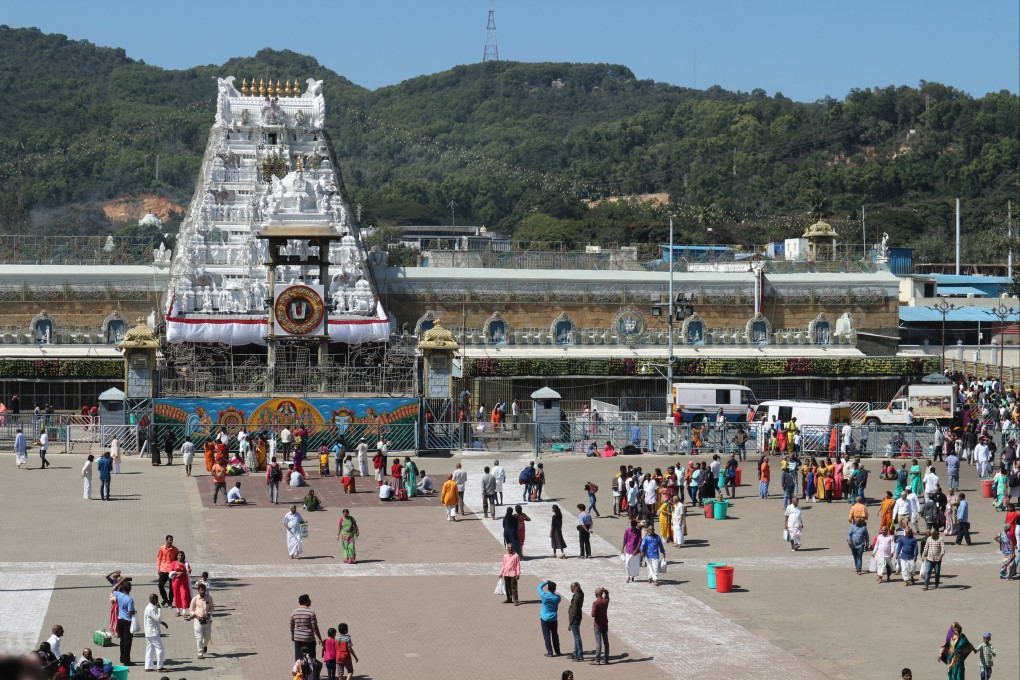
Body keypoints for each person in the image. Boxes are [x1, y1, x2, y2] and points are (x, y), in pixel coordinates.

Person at [110, 580, 136, 665]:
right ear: (130, 589)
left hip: (120, 620)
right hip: (127, 622)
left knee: (122, 640)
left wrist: (121, 581)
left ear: (122, 588)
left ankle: (122, 658)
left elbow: (113, 589)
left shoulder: (118, 594)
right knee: (127, 642)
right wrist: (134, 611)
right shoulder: (129, 599)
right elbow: (130, 612)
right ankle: (126, 661)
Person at [290, 594, 322, 661]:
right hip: (309, 639)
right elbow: (314, 627)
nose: (310, 601)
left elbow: (292, 625)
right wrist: (319, 638)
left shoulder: (294, 612)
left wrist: (293, 635)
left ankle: (299, 666)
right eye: (309, 600)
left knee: (298, 658)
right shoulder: (311, 612)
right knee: (311, 658)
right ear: (305, 602)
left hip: (298, 638)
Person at [187, 582, 213, 659]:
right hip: (198, 621)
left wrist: (209, 613)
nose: (203, 592)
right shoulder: (195, 599)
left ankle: (204, 645)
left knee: (207, 637)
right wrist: (196, 616)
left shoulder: (209, 598)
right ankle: (200, 653)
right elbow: (191, 610)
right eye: (201, 590)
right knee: (199, 638)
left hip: (207, 621)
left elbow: (212, 607)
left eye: (204, 590)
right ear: (198, 590)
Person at [142, 594, 168, 671]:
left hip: (148, 632)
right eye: (157, 599)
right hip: (153, 633)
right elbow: (157, 618)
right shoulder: (151, 609)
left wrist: (163, 623)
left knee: (149, 649)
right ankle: (160, 667)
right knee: (160, 649)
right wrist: (159, 609)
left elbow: (154, 619)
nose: (157, 601)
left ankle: (148, 667)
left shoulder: (148, 607)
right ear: (154, 600)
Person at [538, 580, 562, 657]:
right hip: (553, 619)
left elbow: (539, 587)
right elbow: (558, 599)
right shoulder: (557, 598)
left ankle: (550, 652)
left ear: (548, 588)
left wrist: (546, 582)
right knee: (555, 635)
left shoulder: (544, 596)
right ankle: (557, 651)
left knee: (547, 636)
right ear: (555, 589)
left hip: (545, 619)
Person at [156, 536, 179, 608]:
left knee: (171, 587)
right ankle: (165, 599)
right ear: (166, 540)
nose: (171, 541)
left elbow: (177, 560)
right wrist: (158, 568)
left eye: (172, 540)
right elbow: (159, 558)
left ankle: (170, 602)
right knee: (160, 585)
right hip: (163, 569)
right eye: (169, 540)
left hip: (171, 570)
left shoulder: (175, 549)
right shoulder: (162, 548)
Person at [170, 550, 192, 616]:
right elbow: (170, 572)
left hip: (184, 582)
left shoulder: (186, 563)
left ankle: (184, 611)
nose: (180, 557)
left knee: (183, 596)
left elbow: (189, 572)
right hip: (175, 582)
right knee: (176, 596)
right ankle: (177, 610)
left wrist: (184, 568)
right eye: (179, 555)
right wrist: (177, 573)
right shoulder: (174, 563)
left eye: (182, 556)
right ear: (177, 556)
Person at [567, 582, 585, 662]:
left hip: (575, 619)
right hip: (578, 617)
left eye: (571, 588)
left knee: (577, 637)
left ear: (574, 588)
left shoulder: (576, 597)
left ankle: (580, 655)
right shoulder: (580, 594)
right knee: (576, 636)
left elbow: (574, 611)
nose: (571, 590)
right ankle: (575, 653)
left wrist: (570, 622)